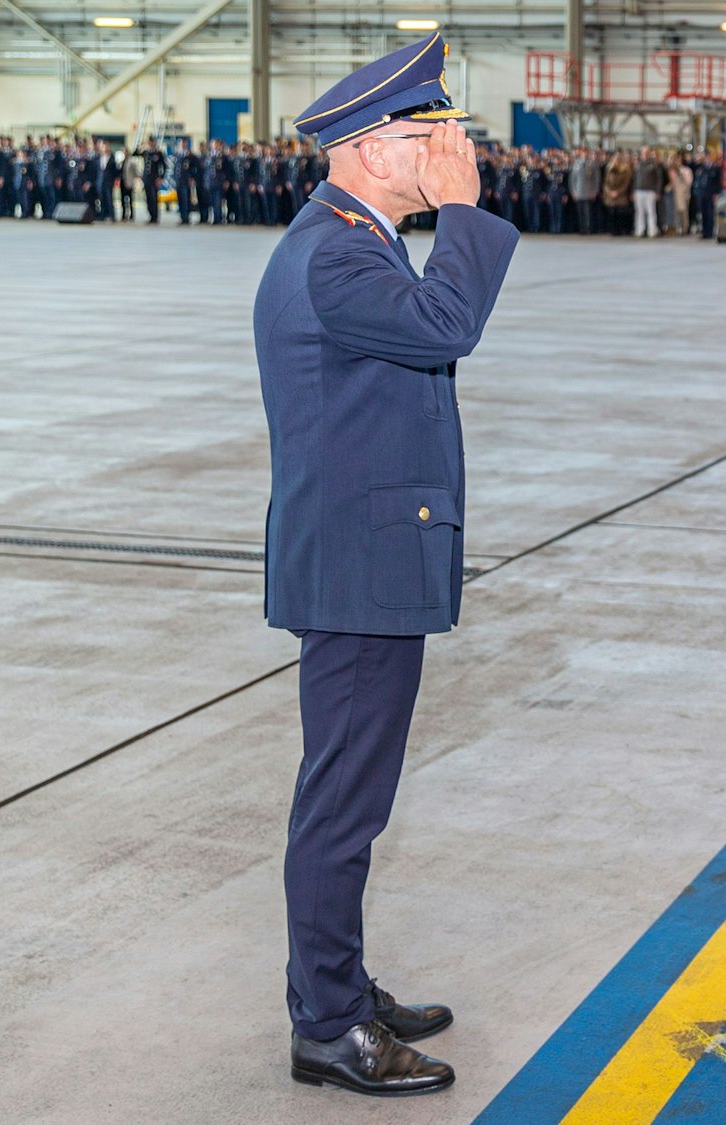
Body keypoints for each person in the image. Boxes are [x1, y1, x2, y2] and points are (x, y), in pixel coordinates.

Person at [254, 31, 520, 1096]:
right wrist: (463, 213)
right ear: (371, 150)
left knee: (347, 794)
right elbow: (447, 325)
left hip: (363, 560)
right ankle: (326, 1024)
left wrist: (445, 207)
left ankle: (339, 986)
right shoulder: (336, 253)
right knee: (343, 805)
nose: (450, 152)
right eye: (431, 137)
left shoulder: (350, 240)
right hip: (357, 573)